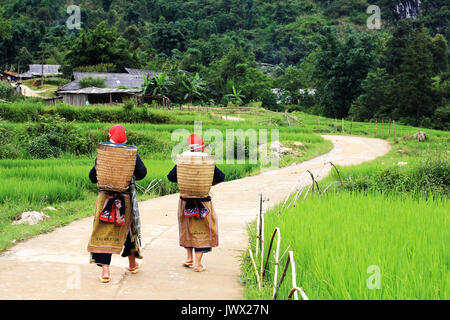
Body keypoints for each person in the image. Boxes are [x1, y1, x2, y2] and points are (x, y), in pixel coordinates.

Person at [87, 124, 147, 283]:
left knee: (103, 231)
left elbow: (93, 177)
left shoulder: (104, 153)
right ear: (125, 137)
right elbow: (142, 173)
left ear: (110, 136)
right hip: (125, 199)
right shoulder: (131, 153)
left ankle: (105, 272)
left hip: (105, 198)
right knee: (129, 230)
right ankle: (132, 264)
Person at [167, 134, 225, 272]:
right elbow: (221, 177)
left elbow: (171, 177)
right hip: (203, 202)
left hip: (185, 201)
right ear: (202, 146)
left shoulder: (183, 159)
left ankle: (189, 258)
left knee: (188, 229)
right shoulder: (207, 160)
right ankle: (198, 264)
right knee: (203, 231)